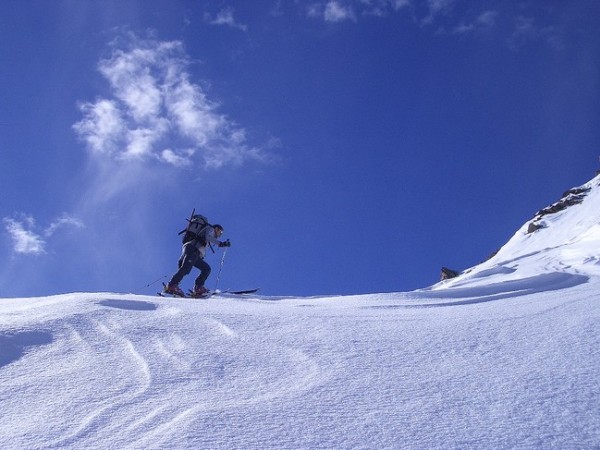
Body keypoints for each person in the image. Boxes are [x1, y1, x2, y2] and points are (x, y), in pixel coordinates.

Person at [164, 223, 230, 297]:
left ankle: (198, 288)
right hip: (193, 250)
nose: (220, 234)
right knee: (186, 268)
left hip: (193, 251)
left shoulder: (207, 231)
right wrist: (220, 243)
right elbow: (208, 237)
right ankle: (171, 286)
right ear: (216, 228)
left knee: (206, 269)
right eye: (220, 232)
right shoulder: (211, 229)